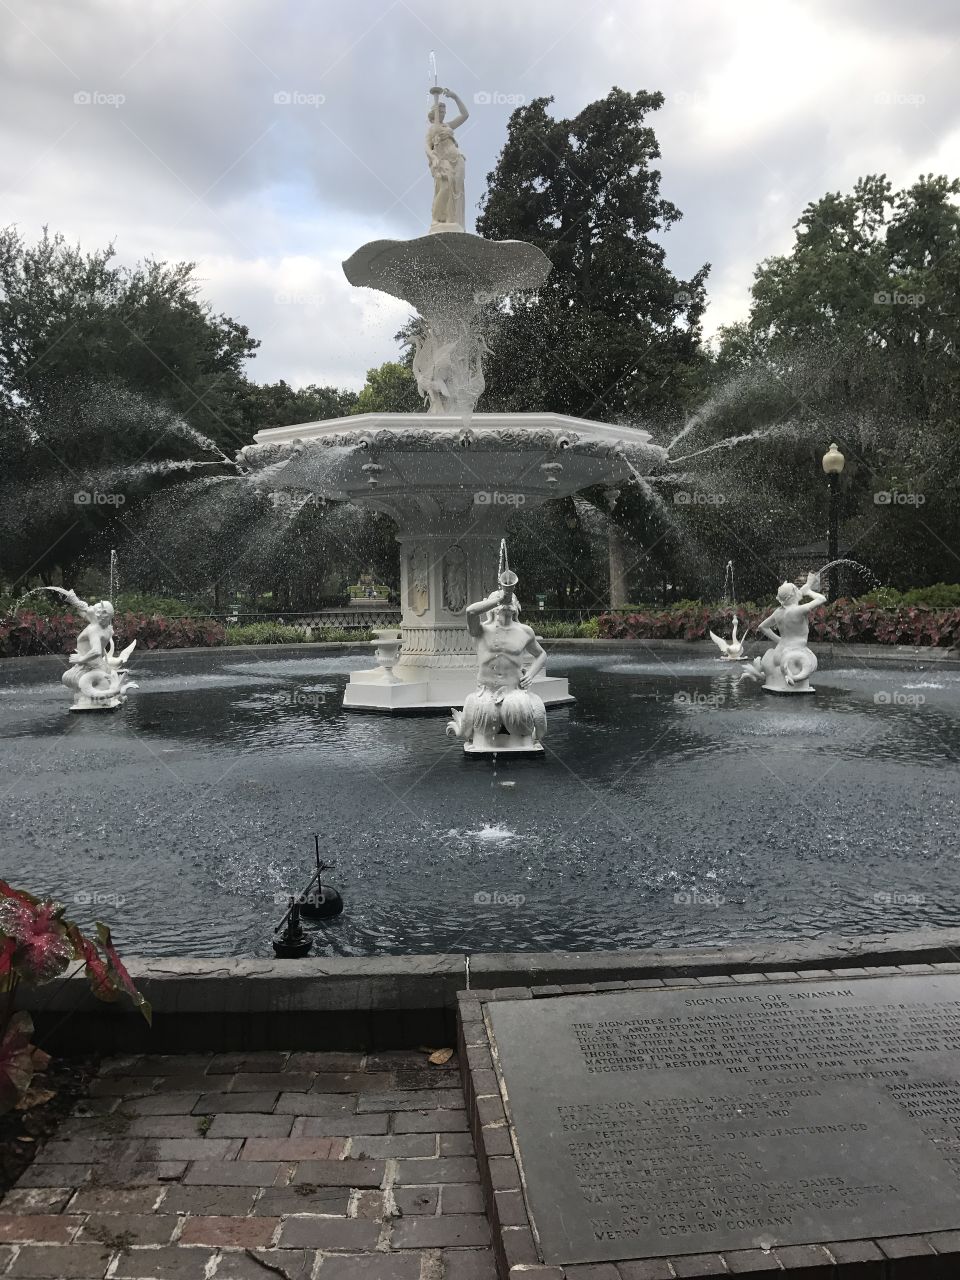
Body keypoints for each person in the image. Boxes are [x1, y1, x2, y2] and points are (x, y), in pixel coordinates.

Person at [426, 88, 468, 230]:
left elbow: (465, 115)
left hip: (457, 158)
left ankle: (453, 219)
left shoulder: (448, 126)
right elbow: (427, 147)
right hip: (442, 161)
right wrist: (432, 157)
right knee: (444, 187)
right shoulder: (432, 129)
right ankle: (437, 219)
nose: (443, 113)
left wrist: (455, 97)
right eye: (440, 111)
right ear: (433, 115)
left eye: (444, 111)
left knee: (457, 190)